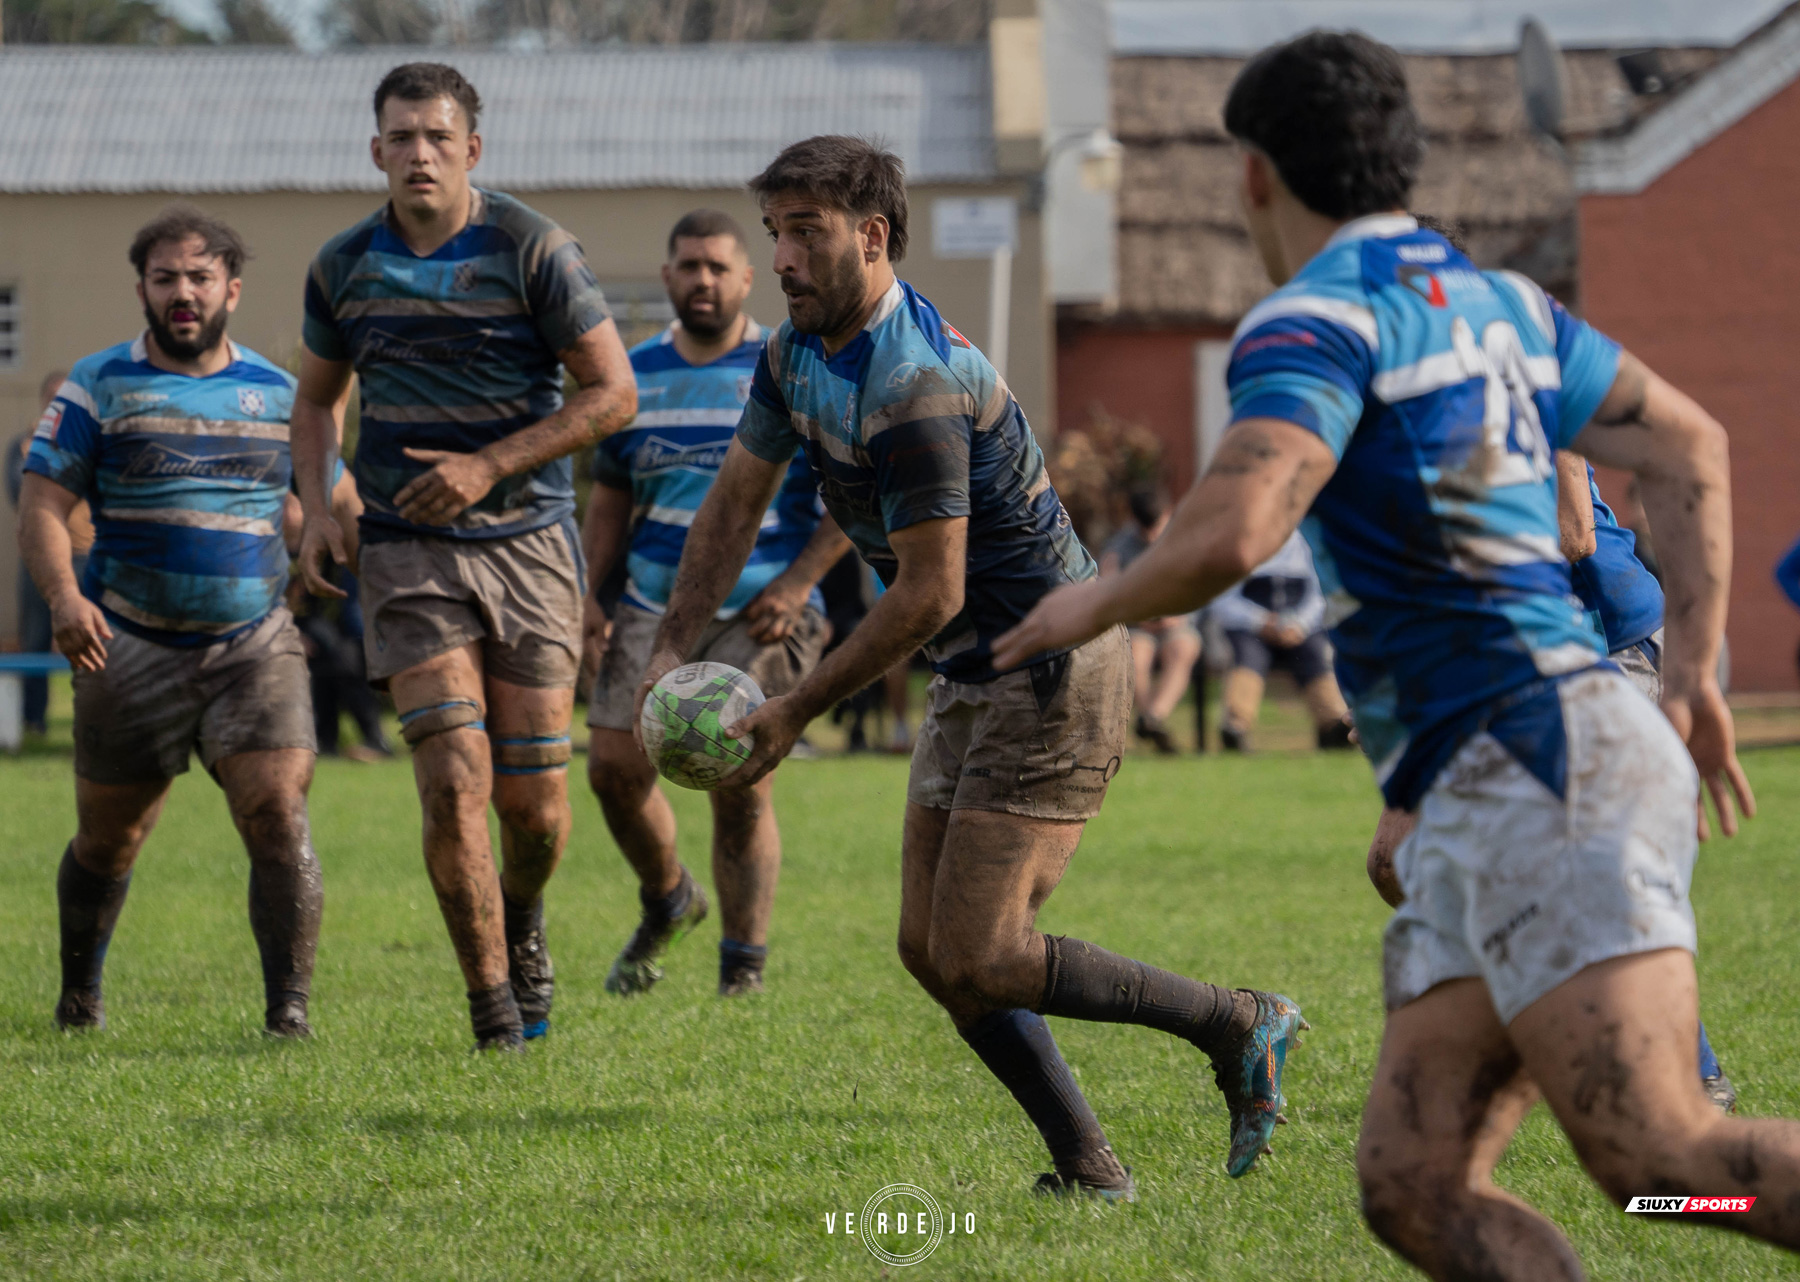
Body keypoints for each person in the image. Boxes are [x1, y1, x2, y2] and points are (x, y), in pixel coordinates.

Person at [993, 32, 1797, 1277]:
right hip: (1501, 776)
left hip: (1541, 763)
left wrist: (1085, 606)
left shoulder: (1312, 317)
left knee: (1661, 1160)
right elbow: (1688, 445)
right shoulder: (1499, 299)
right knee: (1414, 1184)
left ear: (1255, 175)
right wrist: (1690, 671)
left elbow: (1242, 524)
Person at [634, 135, 1306, 1197]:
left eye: (806, 235)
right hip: (972, 670)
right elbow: (735, 498)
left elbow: (929, 590)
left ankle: (1238, 1021)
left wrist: (798, 707)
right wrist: (671, 643)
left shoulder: (915, 383)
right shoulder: (794, 353)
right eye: (777, 236)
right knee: (928, 947)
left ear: (873, 235)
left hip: (1056, 667)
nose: (784, 262)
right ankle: (1089, 1167)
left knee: (986, 952)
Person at [291, 62, 636, 1050]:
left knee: (534, 807)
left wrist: (491, 463)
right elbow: (316, 400)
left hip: (528, 544)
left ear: (472, 149)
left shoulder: (535, 249)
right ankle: (490, 1005)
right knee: (451, 779)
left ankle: (522, 921)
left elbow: (613, 395)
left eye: (438, 137)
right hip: (404, 549)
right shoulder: (343, 264)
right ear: (376, 152)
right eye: (401, 138)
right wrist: (322, 504)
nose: (419, 154)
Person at [18, 206, 323, 1037]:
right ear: (143, 290)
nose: (182, 294)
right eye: (165, 279)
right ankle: (80, 993)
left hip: (254, 643)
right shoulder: (97, 385)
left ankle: (286, 1014)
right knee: (110, 839)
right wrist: (64, 597)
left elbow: (322, 505)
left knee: (276, 811)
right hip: (128, 640)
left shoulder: (279, 394)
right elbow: (43, 504)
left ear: (232, 286)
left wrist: (336, 539)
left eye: (199, 277)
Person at [582, 209, 847, 998]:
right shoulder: (632, 377)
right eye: (688, 266)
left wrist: (798, 583)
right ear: (667, 278)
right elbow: (609, 502)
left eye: (718, 267)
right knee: (612, 771)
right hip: (650, 606)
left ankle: (744, 970)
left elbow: (848, 500)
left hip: (763, 606)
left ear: (746, 277)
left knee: (740, 777)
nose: (703, 280)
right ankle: (670, 896)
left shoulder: (791, 365)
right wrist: (589, 595)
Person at [1207, 528, 1353, 751]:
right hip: (1251, 629)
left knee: (1318, 656)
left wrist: (1298, 624)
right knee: (1247, 657)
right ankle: (1236, 724)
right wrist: (1261, 622)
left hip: (1299, 628)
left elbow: (1320, 593)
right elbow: (1222, 599)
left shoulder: (1307, 541)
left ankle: (1333, 723)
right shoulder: (1240, 542)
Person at [7, 369, 88, 736]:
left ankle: (90, 722)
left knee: (93, 642)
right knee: (35, 640)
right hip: (38, 562)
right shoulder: (23, 446)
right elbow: (19, 494)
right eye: (54, 397)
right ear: (43, 402)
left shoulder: (92, 442)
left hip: (88, 558)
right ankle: (33, 721)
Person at [1100, 488, 1200, 753]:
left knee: (1183, 648)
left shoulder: (1185, 540)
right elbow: (1109, 596)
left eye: (1156, 526)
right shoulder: (1118, 549)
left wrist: (1178, 614)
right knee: (1135, 655)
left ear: (1169, 513)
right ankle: (1152, 723)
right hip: (1137, 625)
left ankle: (1153, 717)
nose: (1152, 535)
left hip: (1176, 623)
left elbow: (1202, 587)